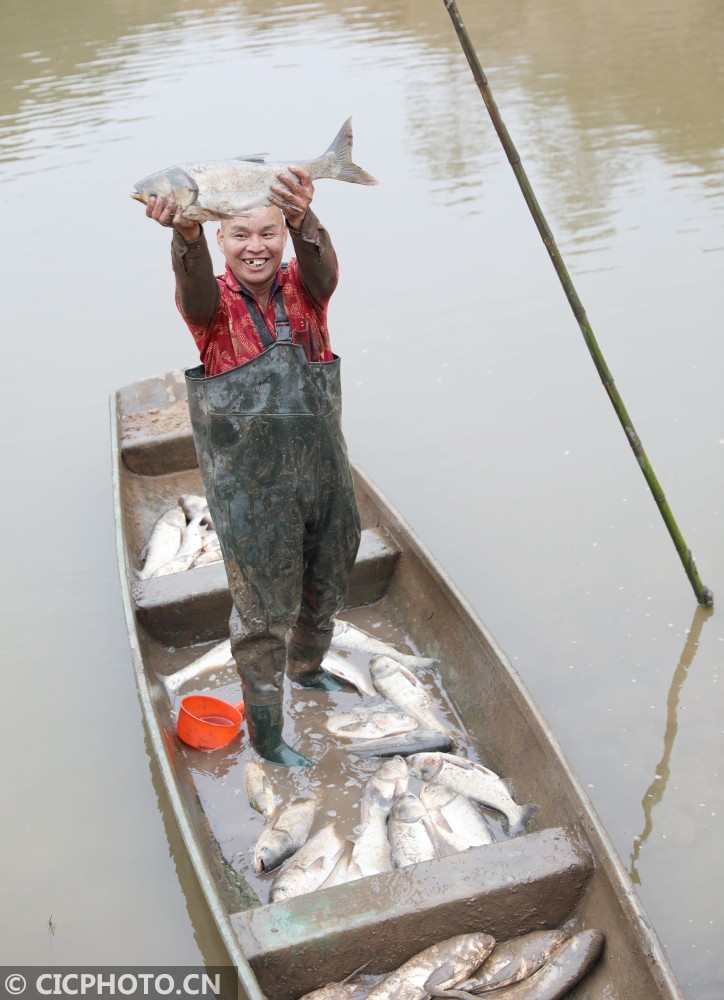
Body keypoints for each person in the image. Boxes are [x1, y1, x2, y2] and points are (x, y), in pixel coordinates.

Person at [146, 165, 361, 767]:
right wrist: (183, 237)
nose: (256, 248)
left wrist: (304, 216)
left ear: (283, 236)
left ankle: (308, 667)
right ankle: (267, 736)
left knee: (334, 567)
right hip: (250, 490)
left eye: (268, 234)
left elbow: (326, 267)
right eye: (240, 235)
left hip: (324, 471)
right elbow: (191, 289)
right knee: (264, 613)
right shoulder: (210, 308)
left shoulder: (306, 288)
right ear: (222, 240)